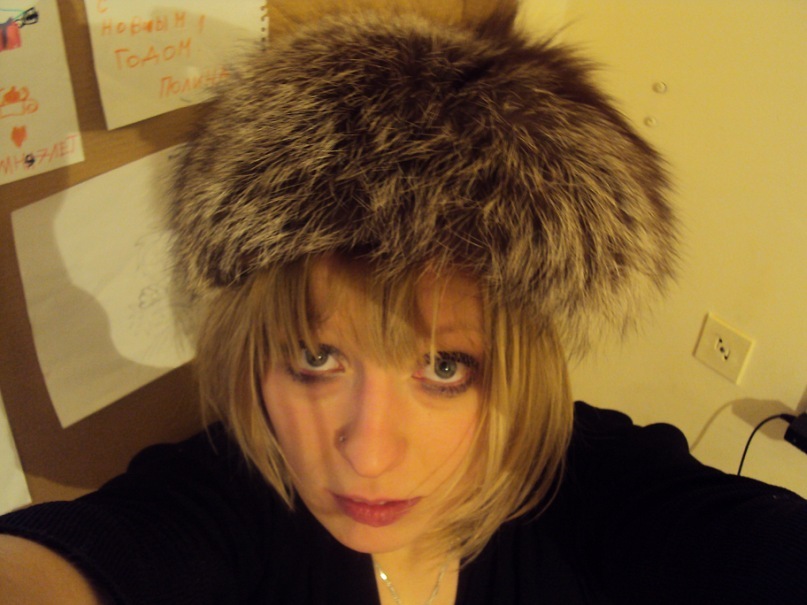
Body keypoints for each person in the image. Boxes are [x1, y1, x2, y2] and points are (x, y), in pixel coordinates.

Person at [1, 9, 805, 605]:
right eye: (316, 356)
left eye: (444, 365)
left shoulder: (593, 481)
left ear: (519, 364)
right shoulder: (223, 502)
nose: (368, 454)